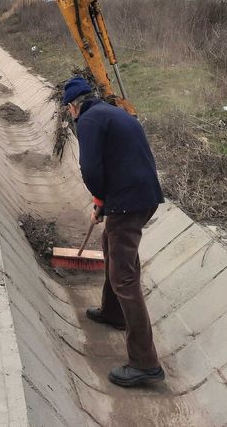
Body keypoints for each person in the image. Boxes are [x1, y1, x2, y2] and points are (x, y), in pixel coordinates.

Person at [62, 75, 165, 387]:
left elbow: (91, 169)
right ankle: (112, 312)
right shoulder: (112, 111)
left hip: (129, 200)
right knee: (111, 243)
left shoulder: (89, 121)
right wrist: (105, 202)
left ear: (72, 107)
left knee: (124, 276)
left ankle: (145, 362)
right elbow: (120, 160)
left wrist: (100, 198)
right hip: (141, 195)